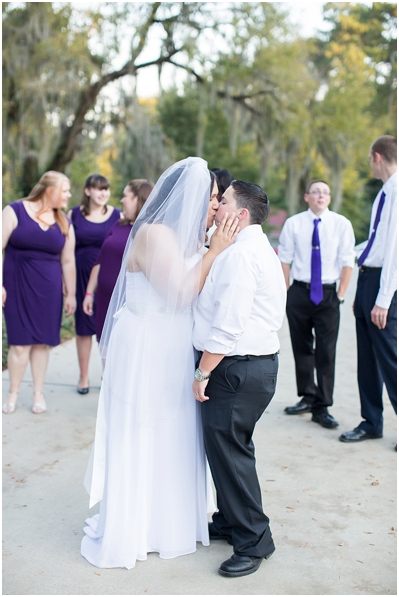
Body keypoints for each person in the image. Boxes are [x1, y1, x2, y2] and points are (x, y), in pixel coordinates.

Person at [82, 158, 239, 569]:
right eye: (211, 198)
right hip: (148, 342)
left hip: (172, 343)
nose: (214, 206)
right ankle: (137, 527)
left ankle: (167, 524)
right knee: (144, 428)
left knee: (173, 430)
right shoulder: (154, 234)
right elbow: (182, 292)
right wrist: (214, 251)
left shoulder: (183, 238)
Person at [192, 180, 286, 577]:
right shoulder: (248, 248)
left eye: (224, 201)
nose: (216, 207)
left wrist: (203, 371)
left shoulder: (242, 256)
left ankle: (254, 541)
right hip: (246, 367)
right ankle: (230, 520)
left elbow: (228, 325)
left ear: (241, 213)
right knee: (225, 450)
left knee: (232, 454)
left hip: (236, 368)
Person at [278, 179, 354, 429]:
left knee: (326, 351)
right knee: (301, 347)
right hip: (299, 293)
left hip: (328, 295)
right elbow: (285, 259)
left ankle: (322, 406)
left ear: (329, 198)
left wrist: (340, 294)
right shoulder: (294, 224)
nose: (321, 195)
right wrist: (286, 291)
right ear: (306, 196)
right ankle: (307, 396)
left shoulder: (341, 224)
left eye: (325, 192)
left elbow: (347, 261)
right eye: (316, 191)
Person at [2, 171, 77, 414]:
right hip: (16, 286)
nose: (68, 195)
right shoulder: (14, 211)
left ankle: (38, 393)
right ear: (50, 190)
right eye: (64, 191)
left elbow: (68, 261)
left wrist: (72, 294)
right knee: (19, 344)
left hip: (49, 290)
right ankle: (13, 392)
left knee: (42, 344)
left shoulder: (64, 221)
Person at [340, 135, 397, 444]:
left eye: (369, 160)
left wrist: (383, 299)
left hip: (383, 284)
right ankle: (372, 421)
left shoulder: (397, 191)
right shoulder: (384, 193)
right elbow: (376, 243)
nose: (369, 165)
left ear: (377, 157)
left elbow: (395, 251)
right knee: (367, 358)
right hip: (367, 280)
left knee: (390, 358)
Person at [83, 179, 153, 342]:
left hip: (127, 304)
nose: (121, 200)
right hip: (104, 300)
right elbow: (100, 260)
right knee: (103, 347)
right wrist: (89, 293)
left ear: (138, 199)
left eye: (125, 196)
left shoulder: (149, 232)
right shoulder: (118, 224)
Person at [69, 174, 120, 393]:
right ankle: (83, 377)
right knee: (83, 328)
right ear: (87, 191)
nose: (103, 193)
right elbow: (66, 250)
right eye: (98, 188)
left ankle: (107, 375)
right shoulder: (74, 214)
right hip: (80, 275)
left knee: (108, 330)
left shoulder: (117, 215)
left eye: (106, 189)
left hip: (107, 276)